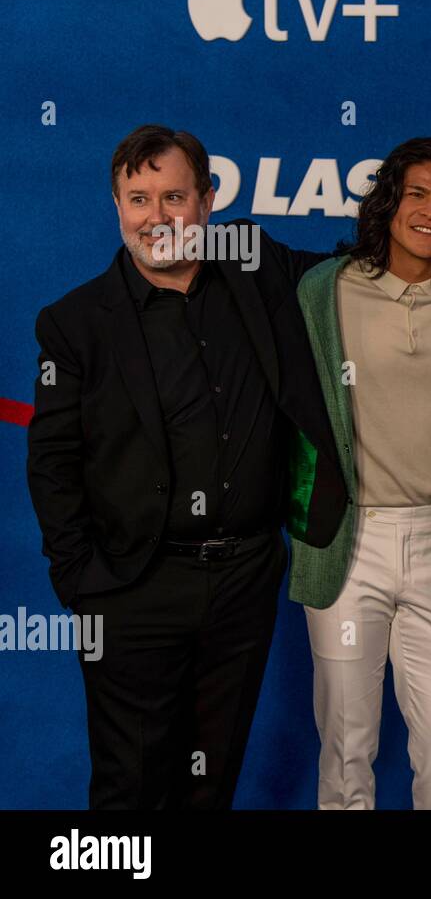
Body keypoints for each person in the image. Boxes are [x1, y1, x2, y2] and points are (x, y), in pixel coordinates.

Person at [26, 124, 349, 808]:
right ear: (116, 206)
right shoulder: (75, 322)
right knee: (130, 788)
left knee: (211, 781)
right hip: (129, 586)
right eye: (138, 198)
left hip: (243, 580)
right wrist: (82, 583)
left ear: (206, 200)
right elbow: (52, 462)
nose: (157, 216)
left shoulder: (254, 266)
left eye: (174, 195)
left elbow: (348, 276)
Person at [288, 137, 431, 810]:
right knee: (347, 748)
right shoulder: (326, 290)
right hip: (352, 542)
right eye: (417, 194)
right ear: (389, 201)